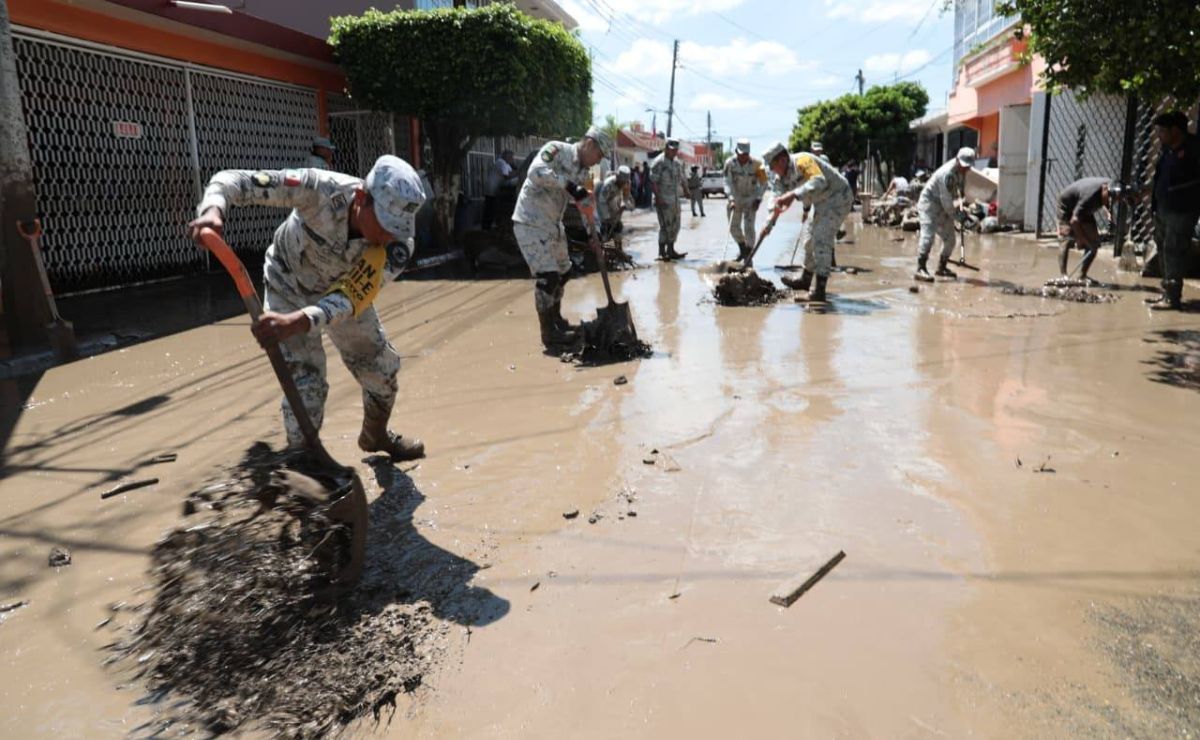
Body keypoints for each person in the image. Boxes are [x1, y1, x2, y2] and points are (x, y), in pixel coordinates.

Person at [188, 155, 428, 460]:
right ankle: (303, 466)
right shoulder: (319, 190)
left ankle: (376, 436)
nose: (387, 235)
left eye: (397, 228)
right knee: (307, 386)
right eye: (383, 222)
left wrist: (300, 321)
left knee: (382, 373)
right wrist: (213, 209)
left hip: (343, 298)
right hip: (287, 285)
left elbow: (349, 298)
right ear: (362, 198)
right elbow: (235, 180)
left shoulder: (398, 246)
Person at [511, 125, 612, 348]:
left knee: (565, 273)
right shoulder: (556, 150)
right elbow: (534, 172)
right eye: (599, 155)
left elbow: (586, 204)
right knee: (547, 277)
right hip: (530, 221)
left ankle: (557, 321)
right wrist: (568, 185)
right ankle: (548, 333)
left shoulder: (586, 174)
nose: (598, 161)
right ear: (589, 143)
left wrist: (593, 237)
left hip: (553, 225)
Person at [761, 141, 854, 302]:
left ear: (782, 160)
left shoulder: (803, 161)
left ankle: (819, 291)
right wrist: (768, 224)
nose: (771, 170)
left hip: (838, 197)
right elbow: (776, 203)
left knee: (821, 239)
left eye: (772, 165)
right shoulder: (780, 179)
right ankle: (805, 279)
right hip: (821, 202)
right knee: (809, 240)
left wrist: (793, 195)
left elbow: (819, 181)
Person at [1146, 110, 1200, 310]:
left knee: (1174, 249)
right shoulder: (1166, 149)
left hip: (1182, 210)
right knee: (1163, 247)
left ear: (1175, 130)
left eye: (1162, 131)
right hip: (1162, 208)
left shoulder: (1194, 149)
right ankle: (1167, 292)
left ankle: (1172, 297)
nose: (1159, 135)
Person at [914, 147, 975, 282]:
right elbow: (948, 205)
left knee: (950, 240)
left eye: (968, 167)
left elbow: (959, 191)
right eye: (964, 166)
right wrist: (961, 218)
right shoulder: (947, 174)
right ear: (957, 160)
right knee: (928, 235)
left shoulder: (963, 172)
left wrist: (962, 206)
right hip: (929, 203)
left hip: (942, 205)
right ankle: (920, 268)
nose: (966, 169)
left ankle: (941, 267)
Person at [1055, 177, 1120, 285]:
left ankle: (1082, 276)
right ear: (1104, 189)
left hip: (1084, 209)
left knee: (1094, 243)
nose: (1111, 201)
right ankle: (1063, 276)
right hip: (1066, 206)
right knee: (1066, 239)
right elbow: (1074, 221)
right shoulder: (1090, 195)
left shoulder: (1112, 187)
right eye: (1109, 198)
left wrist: (1110, 219)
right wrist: (1084, 240)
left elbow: (1108, 202)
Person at [723, 138, 767, 261]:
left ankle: (748, 254)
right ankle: (743, 249)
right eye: (741, 155)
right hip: (735, 199)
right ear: (737, 152)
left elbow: (764, 183)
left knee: (749, 228)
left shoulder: (758, 164)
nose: (744, 157)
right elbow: (727, 182)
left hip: (750, 200)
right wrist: (731, 198)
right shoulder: (729, 163)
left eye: (746, 154)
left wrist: (758, 199)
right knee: (733, 227)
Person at [650, 138, 689, 260]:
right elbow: (654, 182)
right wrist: (658, 197)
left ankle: (671, 250)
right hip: (663, 199)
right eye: (672, 150)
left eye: (676, 150)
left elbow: (682, 178)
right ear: (666, 148)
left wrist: (686, 190)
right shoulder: (659, 162)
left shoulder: (677, 163)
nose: (674, 152)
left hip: (675, 200)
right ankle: (662, 252)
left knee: (675, 225)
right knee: (665, 226)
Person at [598, 165, 635, 260]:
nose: (623, 184)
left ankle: (618, 254)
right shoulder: (608, 184)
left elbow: (629, 200)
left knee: (618, 231)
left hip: (616, 212)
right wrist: (606, 219)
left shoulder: (626, 184)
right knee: (606, 236)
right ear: (617, 177)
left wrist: (626, 205)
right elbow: (602, 203)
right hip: (605, 213)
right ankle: (607, 256)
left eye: (625, 182)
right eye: (621, 181)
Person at [482, 149, 517, 231]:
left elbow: (512, 172)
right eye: (511, 157)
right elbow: (507, 176)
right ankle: (486, 228)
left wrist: (515, 170)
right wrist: (517, 173)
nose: (512, 159)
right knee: (489, 208)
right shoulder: (501, 162)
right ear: (506, 156)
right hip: (492, 188)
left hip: (495, 188)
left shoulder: (506, 164)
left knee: (492, 208)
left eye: (512, 157)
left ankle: (487, 227)